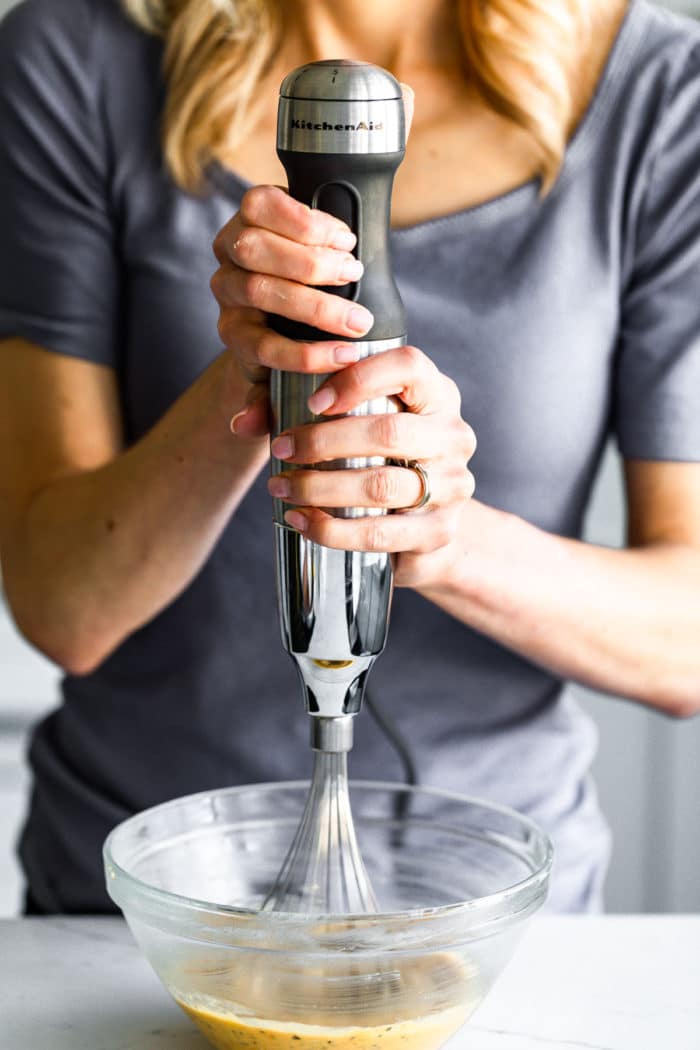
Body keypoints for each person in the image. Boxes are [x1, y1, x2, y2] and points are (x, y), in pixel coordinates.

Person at [1, 0, 699, 916]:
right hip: (156, 904)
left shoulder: (662, 94)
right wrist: (253, 378)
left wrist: (447, 540)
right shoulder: (74, 58)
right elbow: (63, 607)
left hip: (494, 908)